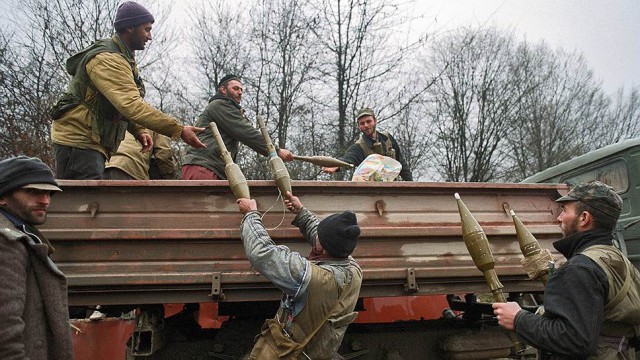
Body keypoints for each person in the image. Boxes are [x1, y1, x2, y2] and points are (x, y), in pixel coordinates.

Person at [50, 1, 205, 180]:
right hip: (78, 141)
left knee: (94, 204)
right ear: (130, 28)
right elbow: (131, 105)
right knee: (84, 204)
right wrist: (179, 129)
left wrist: (138, 130)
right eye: (146, 29)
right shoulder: (107, 60)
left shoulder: (123, 59)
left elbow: (118, 105)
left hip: (90, 142)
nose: (150, 36)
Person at [493, 181, 640, 359]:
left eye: (564, 210)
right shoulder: (620, 261)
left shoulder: (580, 268)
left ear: (584, 218)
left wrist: (518, 319)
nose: (559, 218)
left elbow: (574, 340)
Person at [236, 191, 362, 359]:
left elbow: (263, 254)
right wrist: (301, 212)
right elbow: (323, 236)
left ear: (323, 247)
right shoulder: (352, 268)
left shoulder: (310, 277)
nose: (316, 236)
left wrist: (251, 214)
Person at [0, 156, 73, 359]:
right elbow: (4, 328)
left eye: (49, 193)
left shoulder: (20, 232)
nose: (45, 200)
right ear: (2, 197)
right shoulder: (6, 241)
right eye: (32, 192)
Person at [181, 74, 293, 180]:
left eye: (241, 90)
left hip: (213, 167)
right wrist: (275, 151)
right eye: (235, 88)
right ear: (223, 90)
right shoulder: (220, 105)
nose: (240, 92)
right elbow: (246, 132)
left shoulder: (226, 108)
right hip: (203, 166)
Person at [322, 108, 413, 181]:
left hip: (393, 190)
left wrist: (412, 186)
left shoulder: (388, 138)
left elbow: (401, 163)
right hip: (372, 193)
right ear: (359, 126)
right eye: (362, 123)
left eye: (368, 121)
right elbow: (347, 159)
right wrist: (336, 165)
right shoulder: (359, 147)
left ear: (375, 121)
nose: (366, 125)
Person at [105, 130, 176, 180]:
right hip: (132, 168)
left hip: (103, 167)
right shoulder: (154, 121)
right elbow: (164, 155)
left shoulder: (118, 114)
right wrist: (170, 180)